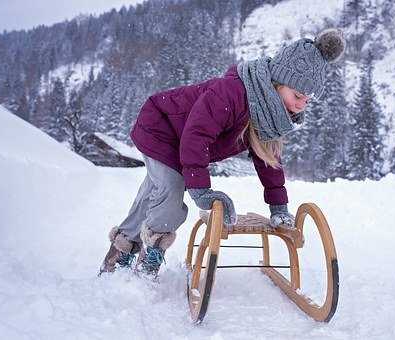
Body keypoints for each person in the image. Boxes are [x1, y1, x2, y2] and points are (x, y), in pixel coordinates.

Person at [100, 28, 346, 276]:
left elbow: (268, 160)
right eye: (298, 96)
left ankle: (118, 254)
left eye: (307, 100)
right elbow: (197, 135)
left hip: (181, 141)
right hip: (160, 128)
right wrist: (201, 190)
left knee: (155, 192)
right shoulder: (232, 92)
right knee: (171, 191)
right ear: (278, 83)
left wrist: (279, 207)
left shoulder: (268, 115)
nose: (301, 105)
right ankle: (146, 267)